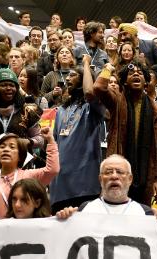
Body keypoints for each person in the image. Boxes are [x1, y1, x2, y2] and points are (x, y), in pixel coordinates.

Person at [94, 61, 157, 205]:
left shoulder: (156, 110)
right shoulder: (117, 101)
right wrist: (108, 68)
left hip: (146, 173)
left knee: (141, 218)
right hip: (118, 171)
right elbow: (98, 88)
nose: (136, 74)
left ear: (146, 81)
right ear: (125, 82)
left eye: (140, 73)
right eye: (132, 73)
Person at [50, 55, 105, 213]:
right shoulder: (61, 110)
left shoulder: (92, 107)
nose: (68, 78)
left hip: (84, 184)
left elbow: (89, 92)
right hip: (60, 185)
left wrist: (86, 64)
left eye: (73, 75)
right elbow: (54, 143)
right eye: (67, 75)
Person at [56, 154, 157, 227]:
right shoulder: (83, 209)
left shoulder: (146, 213)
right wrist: (65, 220)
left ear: (130, 179)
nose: (114, 176)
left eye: (120, 172)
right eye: (108, 172)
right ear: (100, 179)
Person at [0, 127, 59, 219]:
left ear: (21, 156)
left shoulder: (29, 176)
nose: (5, 149)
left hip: (25, 230)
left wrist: (50, 140)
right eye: (2, 147)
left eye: (12, 147)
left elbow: (53, 170)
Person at [0, 68, 43, 176]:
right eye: (3, 85)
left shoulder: (27, 111)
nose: (9, 88)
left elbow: (41, 139)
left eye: (12, 85)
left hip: (21, 169)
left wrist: (28, 142)